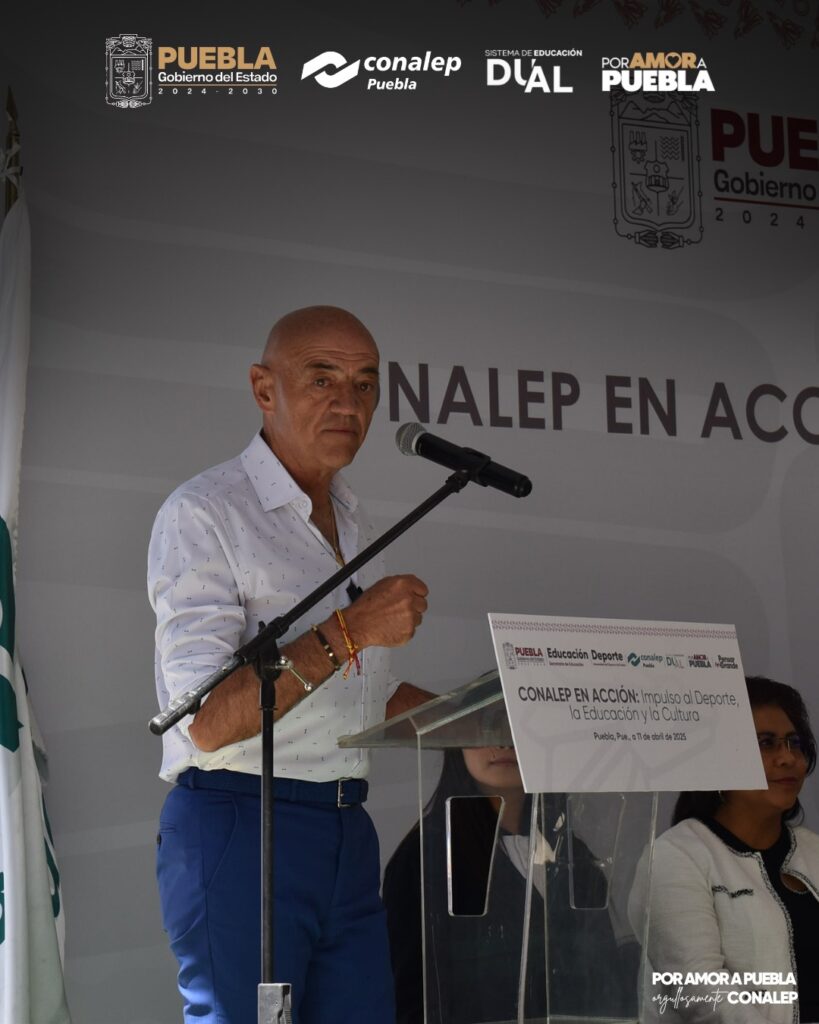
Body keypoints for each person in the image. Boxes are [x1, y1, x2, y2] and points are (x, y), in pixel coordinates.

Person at [148, 306, 432, 1024]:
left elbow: (355, 694)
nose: (348, 403)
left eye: (365, 384)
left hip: (345, 826)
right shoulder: (205, 511)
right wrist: (350, 630)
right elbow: (206, 721)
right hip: (244, 821)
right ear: (263, 388)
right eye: (322, 379)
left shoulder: (352, 517)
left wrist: (490, 718)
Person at [383, 746, 632, 1024]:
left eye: (512, 729)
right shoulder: (425, 857)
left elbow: (606, 983)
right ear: (455, 740)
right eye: (486, 727)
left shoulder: (573, 853)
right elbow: (409, 997)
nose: (503, 744)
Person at [631, 676, 819, 1023]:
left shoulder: (813, 849)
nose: (787, 758)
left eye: (795, 743)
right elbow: (699, 989)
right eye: (766, 743)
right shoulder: (676, 856)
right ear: (717, 757)